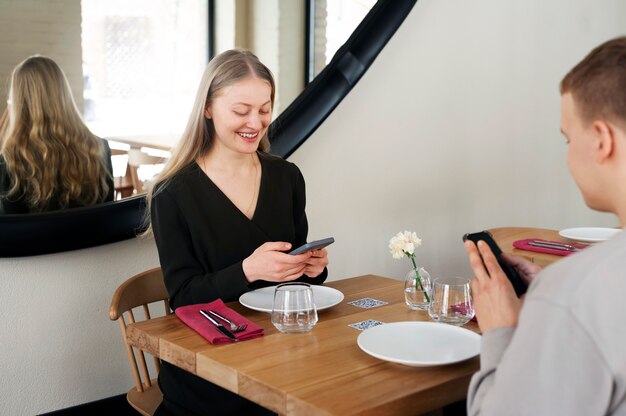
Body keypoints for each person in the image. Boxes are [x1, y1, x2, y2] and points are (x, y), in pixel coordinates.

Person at [147, 49, 329, 415]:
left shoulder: (286, 177)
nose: (256, 122)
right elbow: (183, 297)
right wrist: (249, 271)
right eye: (241, 110)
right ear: (209, 108)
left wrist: (313, 267)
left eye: (264, 109)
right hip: (212, 364)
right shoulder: (172, 194)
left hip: (281, 350)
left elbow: (299, 280)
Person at [463, 37, 626, 415]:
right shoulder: (573, 293)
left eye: (567, 138)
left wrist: (502, 332)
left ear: (601, 140)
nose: (567, 153)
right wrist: (549, 303)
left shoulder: (576, 291)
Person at [0, 55, 113, 214]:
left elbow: (10, 229)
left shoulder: (10, 160)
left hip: (34, 240)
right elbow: (107, 215)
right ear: (63, 94)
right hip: (93, 238)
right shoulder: (99, 148)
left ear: (19, 102)